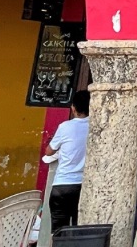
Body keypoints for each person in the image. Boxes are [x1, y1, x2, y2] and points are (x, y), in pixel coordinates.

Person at [44, 89, 90, 232]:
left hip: (62, 185)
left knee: (59, 232)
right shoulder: (95, 127)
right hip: (83, 186)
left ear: (73, 108)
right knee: (78, 230)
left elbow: (49, 151)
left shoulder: (65, 127)